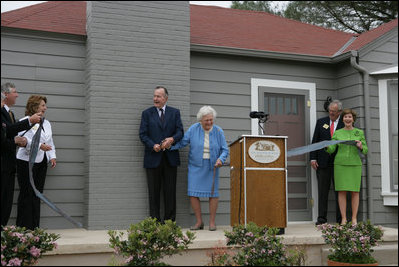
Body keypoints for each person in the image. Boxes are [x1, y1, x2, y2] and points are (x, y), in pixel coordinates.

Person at [169, 106, 229, 231]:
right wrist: (169, 146)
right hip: (195, 165)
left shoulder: (218, 131)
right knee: (193, 193)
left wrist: (220, 160)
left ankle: (212, 222)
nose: (209, 122)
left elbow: (224, 149)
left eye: (211, 120)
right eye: (206, 120)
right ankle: (199, 222)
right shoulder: (193, 129)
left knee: (213, 194)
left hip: (212, 166)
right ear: (200, 120)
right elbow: (183, 142)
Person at [139, 86, 184, 223]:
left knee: (170, 192)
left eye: (158, 96)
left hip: (170, 159)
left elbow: (180, 132)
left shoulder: (175, 113)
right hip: (153, 158)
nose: (155, 99)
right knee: (154, 193)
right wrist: (153, 145)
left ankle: (170, 223)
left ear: (166, 98)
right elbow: (142, 134)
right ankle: (155, 223)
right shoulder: (146, 113)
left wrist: (172, 139)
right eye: (154, 96)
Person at [1, 83, 41, 227]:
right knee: (3, 201)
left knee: (6, 202)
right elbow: (4, 137)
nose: (17, 95)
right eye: (15, 92)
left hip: (10, 166)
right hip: (3, 166)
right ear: (5, 94)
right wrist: (29, 121)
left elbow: (10, 131)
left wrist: (21, 141)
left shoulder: (10, 113)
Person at [16, 95, 56, 230]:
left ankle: (35, 227)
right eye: (42, 105)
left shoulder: (47, 123)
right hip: (26, 162)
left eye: (45, 105)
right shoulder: (24, 121)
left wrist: (52, 156)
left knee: (37, 194)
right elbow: (22, 141)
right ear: (35, 106)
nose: (45, 108)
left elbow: (49, 142)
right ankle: (23, 227)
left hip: (41, 162)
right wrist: (40, 146)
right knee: (26, 194)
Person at [326, 108, 367, 225]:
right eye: (345, 117)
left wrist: (360, 146)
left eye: (349, 117)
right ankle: (344, 218)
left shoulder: (359, 132)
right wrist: (327, 146)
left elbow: (366, 150)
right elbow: (332, 148)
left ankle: (354, 218)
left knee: (355, 192)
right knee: (341, 191)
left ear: (353, 119)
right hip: (340, 164)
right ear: (342, 119)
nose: (347, 119)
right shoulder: (337, 133)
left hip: (355, 164)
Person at [310, 100, 344, 225]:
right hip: (322, 162)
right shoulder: (321, 122)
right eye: (330, 111)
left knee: (340, 191)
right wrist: (313, 158)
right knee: (322, 191)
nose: (331, 113)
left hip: (340, 162)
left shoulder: (344, 123)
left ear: (339, 112)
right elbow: (315, 141)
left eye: (334, 112)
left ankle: (341, 219)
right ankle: (322, 219)